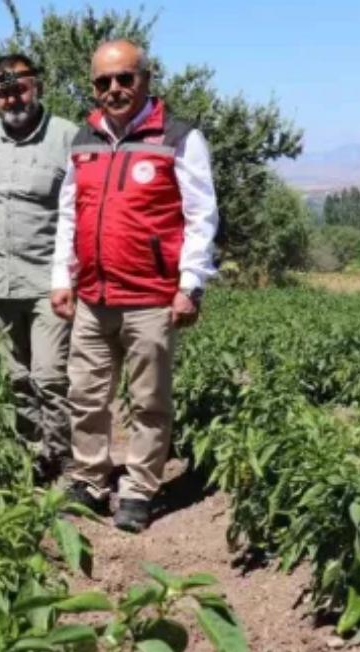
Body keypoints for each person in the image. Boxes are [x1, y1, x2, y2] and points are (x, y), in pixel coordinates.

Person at [51, 39, 219, 533]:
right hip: (93, 297)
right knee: (86, 395)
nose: (115, 89)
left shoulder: (178, 137)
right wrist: (62, 277)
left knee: (148, 401)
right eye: (104, 81)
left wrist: (190, 284)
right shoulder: (84, 139)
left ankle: (141, 487)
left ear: (145, 79)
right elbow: (68, 213)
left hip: (149, 297)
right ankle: (88, 478)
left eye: (125, 78)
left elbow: (201, 216)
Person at [0, 53, 79, 483]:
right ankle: (31, 459)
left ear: (39, 87)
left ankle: (63, 458)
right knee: (13, 378)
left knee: (50, 376)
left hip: (50, 280)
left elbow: (82, 210)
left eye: (20, 87)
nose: (12, 97)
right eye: (2, 90)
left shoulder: (68, 138)